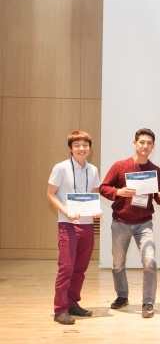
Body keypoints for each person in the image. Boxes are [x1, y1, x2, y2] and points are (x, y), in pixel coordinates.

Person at [99, 128, 160, 319]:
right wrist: (118, 192)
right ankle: (122, 296)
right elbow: (103, 188)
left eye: (149, 143)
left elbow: (158, 198)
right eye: (142, 142)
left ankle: (148, 302)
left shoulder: (155, 170)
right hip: (120, 223)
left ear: (153, 146)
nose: (145, 146)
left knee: (150, 262)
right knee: (118, 264)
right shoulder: (120, 166)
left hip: (144, 224)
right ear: (135, 143)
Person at [47, 131, 102, 325]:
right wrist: (66, 211)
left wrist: (96, 211)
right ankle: (60, 309)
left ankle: (72, 303)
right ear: (71, 148)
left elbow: (93, 195)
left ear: (89, 148)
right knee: (66, 268)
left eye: (85, 145)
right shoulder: (61, 168)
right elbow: (50, 194)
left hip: (87, 225)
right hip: (68, 224)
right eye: (77, 145)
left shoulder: (93, 170)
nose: (81, 148)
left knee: (80, 269)